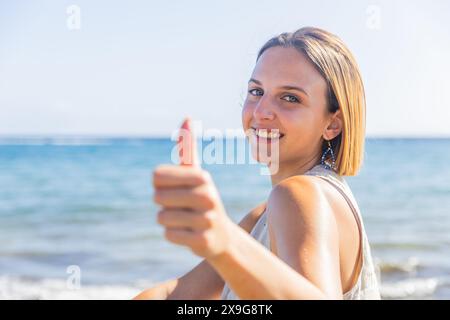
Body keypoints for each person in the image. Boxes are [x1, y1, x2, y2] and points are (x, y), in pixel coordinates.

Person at [134, 26, 380, 300]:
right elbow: (175, 296)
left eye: (290, 98)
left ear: (332, 123)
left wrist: (224, 240)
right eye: (256, 91)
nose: (261, 112)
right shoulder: (262, 216)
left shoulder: (299, 196)